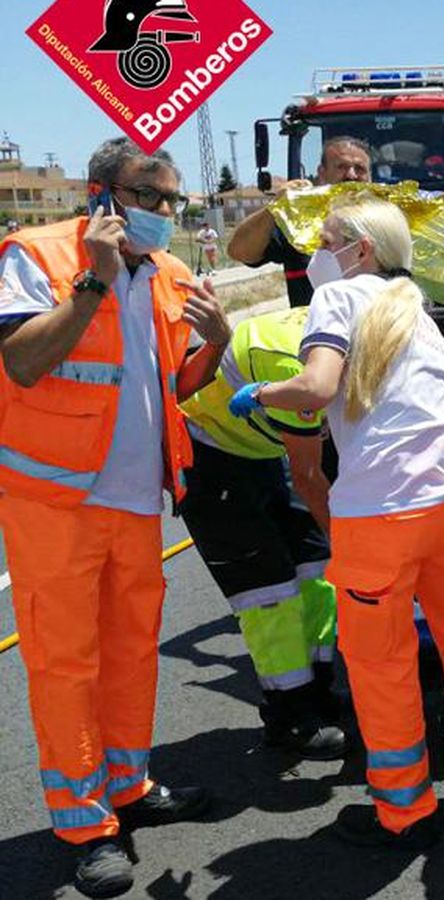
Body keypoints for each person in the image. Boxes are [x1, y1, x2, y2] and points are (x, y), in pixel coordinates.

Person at [232, 196, 444, 847]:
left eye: (327, 240)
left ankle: (404, 810)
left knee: (380, 665)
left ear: (362, 249)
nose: (318, 254)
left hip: (379, 515)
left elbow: (316, 389)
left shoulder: (338, 299)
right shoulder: (417, 312)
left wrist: (260, 393)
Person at [0, 137, 230, 898]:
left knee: (132, 655)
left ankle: (128, 786)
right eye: (146, 196)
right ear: (100, 194)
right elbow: (22, 362)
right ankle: (85, 823)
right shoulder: (36, 256)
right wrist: (94, 282)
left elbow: (171, 386)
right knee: (66, 666)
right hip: (54, 502)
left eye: (172, 199)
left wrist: (217, 343)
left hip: (137, 501)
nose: (162, 211)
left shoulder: (168, 273)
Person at [176, 306, 345, 760]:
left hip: (264, 450)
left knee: (315, 566)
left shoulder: (342, 326)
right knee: (268, 590)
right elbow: (310, 477)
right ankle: (290, 715)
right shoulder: (294, 367)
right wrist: (358, 550)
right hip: (209, 454)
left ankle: (319, 690)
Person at [228, 136, 373, 308]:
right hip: (316, 324)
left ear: (369, 176)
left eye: (360, 168)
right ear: (322, 173)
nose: (351, 175)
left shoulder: (391, 221)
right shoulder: (298, 222)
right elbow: (240, 251)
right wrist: (275, 207)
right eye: (341, 167)